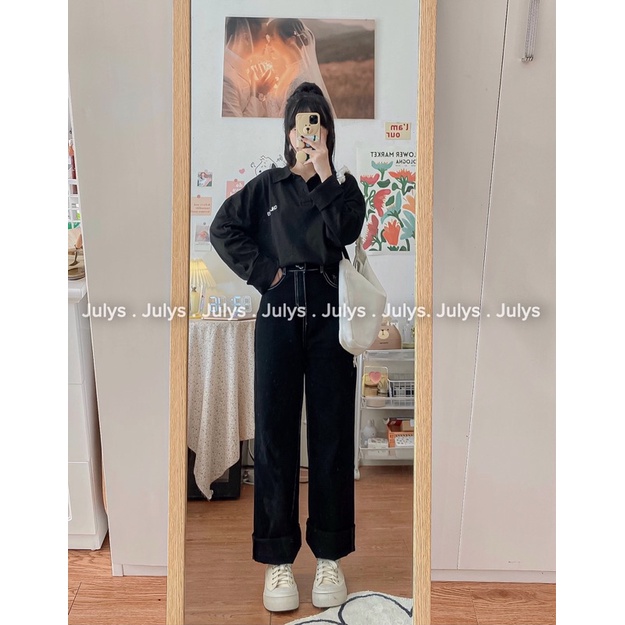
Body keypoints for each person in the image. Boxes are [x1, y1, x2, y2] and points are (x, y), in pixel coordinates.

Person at [210, 82, 365, 613]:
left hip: (329, 310)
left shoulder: (343, 187)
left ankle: (329, 555)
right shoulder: (266, 187)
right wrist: (265, 274)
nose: (308, 132)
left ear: (328, 131)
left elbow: (346, 231)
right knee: (275, 435)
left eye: (317, 122)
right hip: (277, 311)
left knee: (331, 434)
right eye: (301, 123)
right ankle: (278, 559)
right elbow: (223, 227)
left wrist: (322, 173)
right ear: (288, 131)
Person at [264, 19, 336, 118]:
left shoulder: (299, 80)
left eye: (273, 38)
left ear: (291, 40)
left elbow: (286, 120)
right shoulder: (290, 70)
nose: (269, 44)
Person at [222, 17, 277, 117]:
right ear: (246, 38)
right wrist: (257, 94)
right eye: (264, 36)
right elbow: (235, 125)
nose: (267, 42)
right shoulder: (226, 78)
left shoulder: (248, 68)